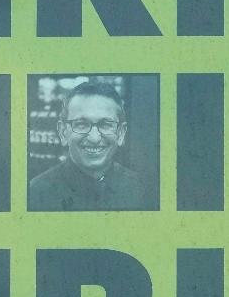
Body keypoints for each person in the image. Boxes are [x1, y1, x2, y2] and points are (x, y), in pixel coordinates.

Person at [27, 80, 150, 210]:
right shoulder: (35, 193)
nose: (94, 138)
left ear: (121, 133)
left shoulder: (141, 189)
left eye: (106, 124)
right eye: (81, 124)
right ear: (63, 132)